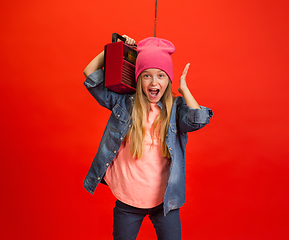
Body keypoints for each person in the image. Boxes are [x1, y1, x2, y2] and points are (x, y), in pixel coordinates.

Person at [82, 35, 213, 240]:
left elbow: (197, 120)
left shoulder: (175, 110)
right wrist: (116, 49)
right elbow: (90, 74)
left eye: (161, 75)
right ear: (138, 78)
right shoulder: (124, 103)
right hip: (128, 202)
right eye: (146, 75)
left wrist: (184, 90)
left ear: (168, 80)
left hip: (164, 204)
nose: (153, 82)